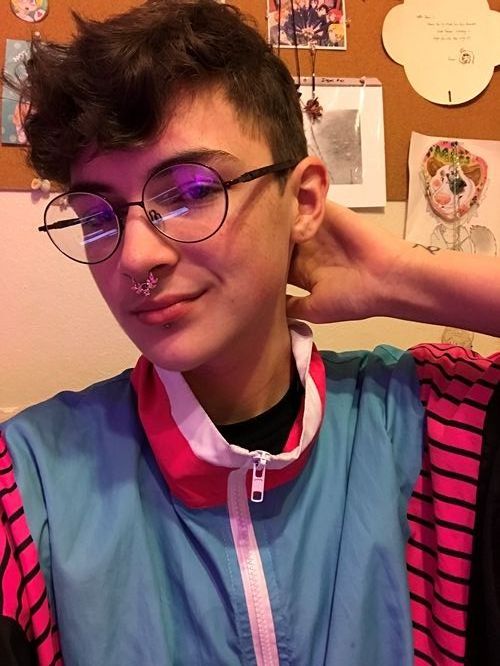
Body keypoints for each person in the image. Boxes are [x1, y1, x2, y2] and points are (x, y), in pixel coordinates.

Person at [1, 1, 500, 664]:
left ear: (303, 201)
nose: (134, 257)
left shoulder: (432, 426)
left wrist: (402, 276)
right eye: (98, 215)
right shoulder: (28, 485)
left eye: (188, 191)